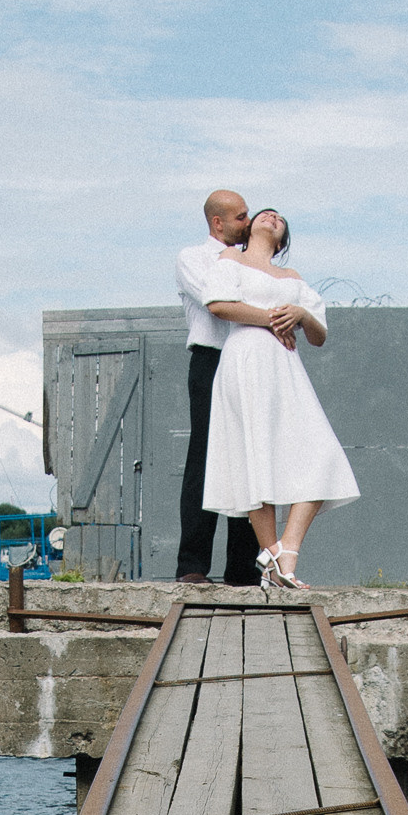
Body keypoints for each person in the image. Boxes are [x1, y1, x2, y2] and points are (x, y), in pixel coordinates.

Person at [201, 212, 357, 593]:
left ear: (283, 238)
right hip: (246, 358)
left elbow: (318, 335)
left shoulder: (293, 278)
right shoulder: (231, 261)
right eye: (265, 213)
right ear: (250, 225)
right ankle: (273, 559)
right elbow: (219, 305)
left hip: (285, 366)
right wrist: (273, 319)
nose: (272, 217)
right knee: (254, 457)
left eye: (281, 219)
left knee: (321, 452)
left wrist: (302, 314)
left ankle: (286, 552)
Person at [174, 189, 287, 585]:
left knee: (251, 459)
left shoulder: (255, 262)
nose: (248, 221)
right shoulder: (193, 258)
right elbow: (219, 299)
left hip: (250, 362)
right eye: (241, 217)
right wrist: (274, 317)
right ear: (218, 223)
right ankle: (192, 566)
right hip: (211, 359)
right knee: (205, 457)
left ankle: (242, 569)